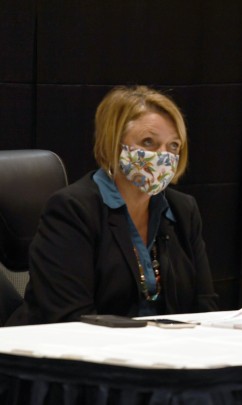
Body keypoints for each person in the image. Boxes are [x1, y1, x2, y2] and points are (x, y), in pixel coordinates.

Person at [7, 86, 219, 325]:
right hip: (70, 352)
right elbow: (70, 317)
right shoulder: (72, 210)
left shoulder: (183, 210)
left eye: (173, 146)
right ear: (114, 143)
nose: (164, 157)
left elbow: (204, 307)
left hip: (162, 353)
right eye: (149, 142)